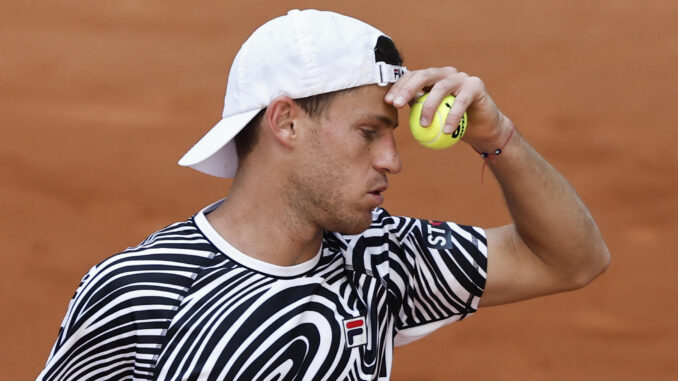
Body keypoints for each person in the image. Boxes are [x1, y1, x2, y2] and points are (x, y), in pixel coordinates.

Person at [38, 9, 610, 381]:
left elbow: (570, 259)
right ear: (286, 122)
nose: (392, 159)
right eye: (369, 133)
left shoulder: (380, 256)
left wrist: (496, 137)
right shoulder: (144, 294)